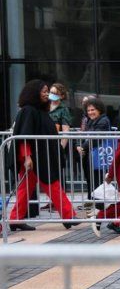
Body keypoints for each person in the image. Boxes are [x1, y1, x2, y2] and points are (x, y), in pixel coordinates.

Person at [7, 80, 78, 231]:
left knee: (25, 190)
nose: (47, 94)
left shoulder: (40, 111)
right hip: (34, 158)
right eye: (44, 91)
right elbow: (24, 136)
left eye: (48, 91)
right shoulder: (28, 111)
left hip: (39, 157)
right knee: (53, 185)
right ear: (34, 93)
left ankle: (14, 219)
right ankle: (68, 215)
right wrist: (27, 157)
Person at [75, 97, 112, 200]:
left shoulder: (103, 121)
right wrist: (79, 146)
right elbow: (85, 135)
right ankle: (91, 202)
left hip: (98, 156)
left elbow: (96, 139)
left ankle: (98, 205)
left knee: (97, 180)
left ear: (99, 109)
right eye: (88, 110)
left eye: (93, 110)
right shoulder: (92, 120)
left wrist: (82, 147)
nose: (90, 112)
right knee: (90, 179)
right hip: (91, 154)